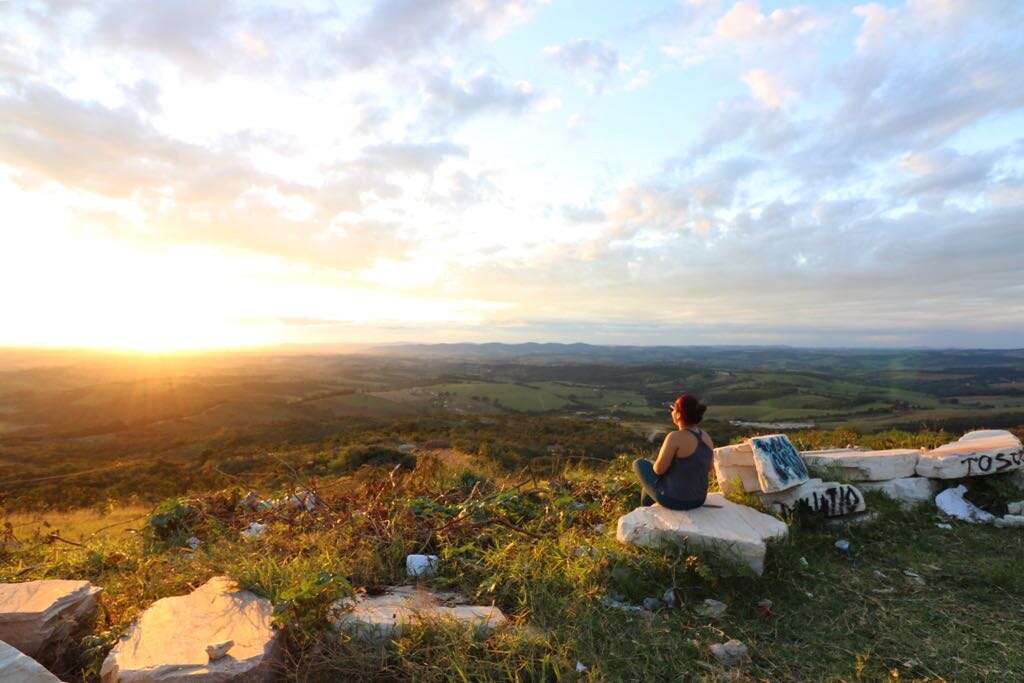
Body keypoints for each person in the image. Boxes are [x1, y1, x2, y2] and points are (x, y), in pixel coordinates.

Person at [633, 393, 714, 510]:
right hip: (699, 499)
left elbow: (658, 470)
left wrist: (653, 464)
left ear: (679, 414)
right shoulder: (706, 437)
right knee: (653, 483)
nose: (672, 412)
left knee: (639, 463)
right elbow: (709, 467)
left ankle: (646, 510)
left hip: (675, 500)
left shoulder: (675, 437)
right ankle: (648, 508)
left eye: (673, 409)